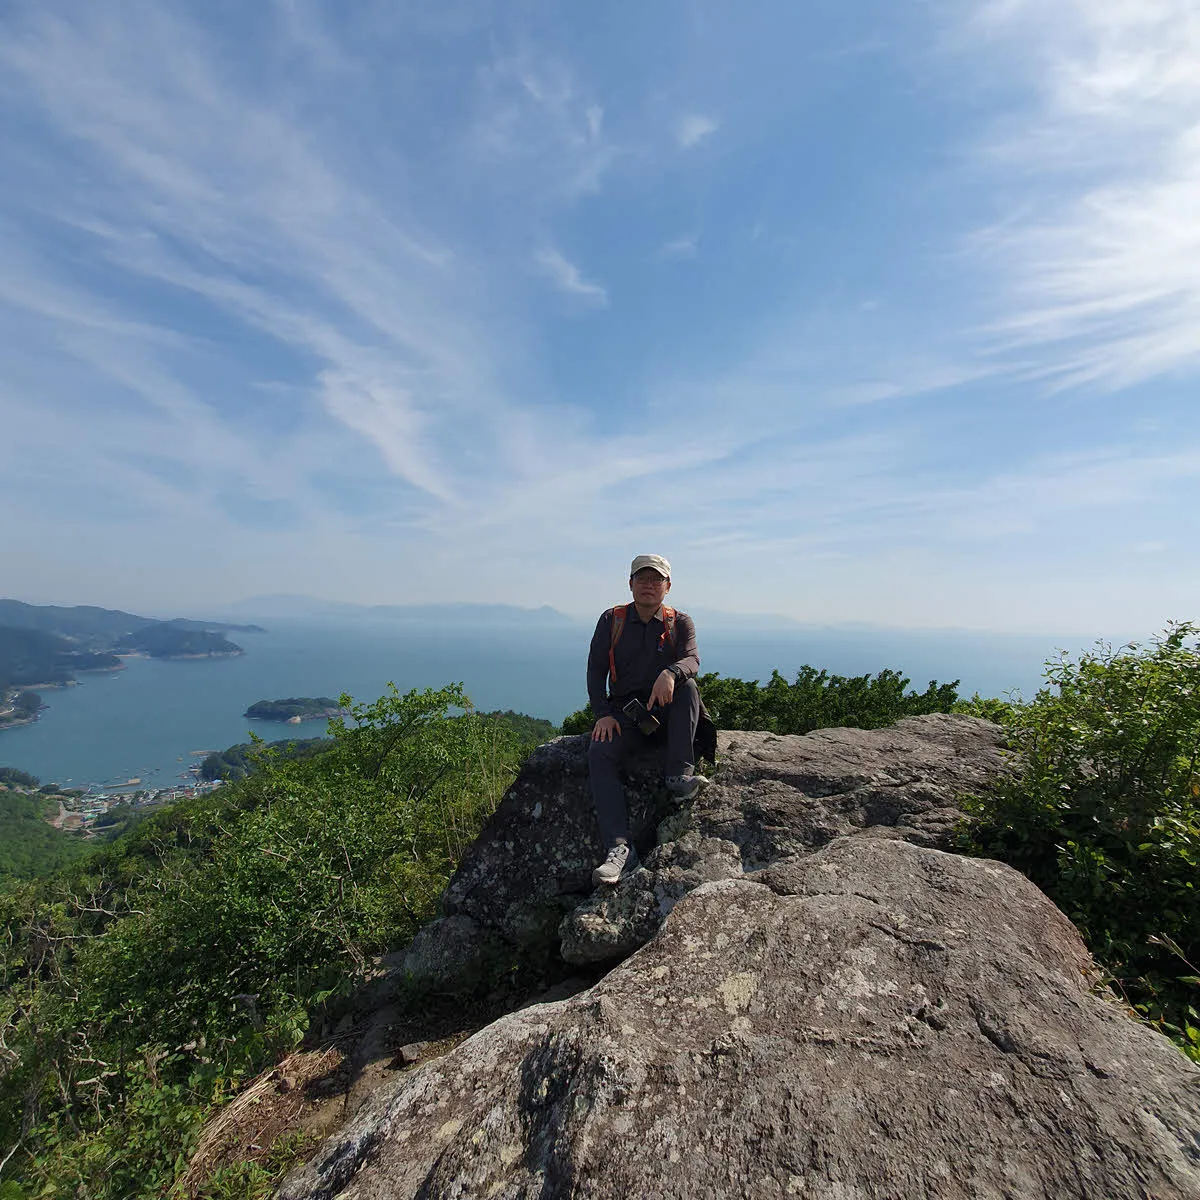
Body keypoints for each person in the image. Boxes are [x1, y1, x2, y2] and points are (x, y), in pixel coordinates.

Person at [586, 554, 709, 885]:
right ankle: (618, 850)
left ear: (668, 587)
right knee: (599, 752)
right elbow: (596, 670)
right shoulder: (612, 620)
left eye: (657, 580)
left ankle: (679, 777)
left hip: (668, 715)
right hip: (627, 715)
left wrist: (671, 672)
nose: (649, 585)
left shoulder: (679, 622)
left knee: (688, 688)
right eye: (642, 579)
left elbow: (692, 660)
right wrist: (603, 715)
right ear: (630, 584)